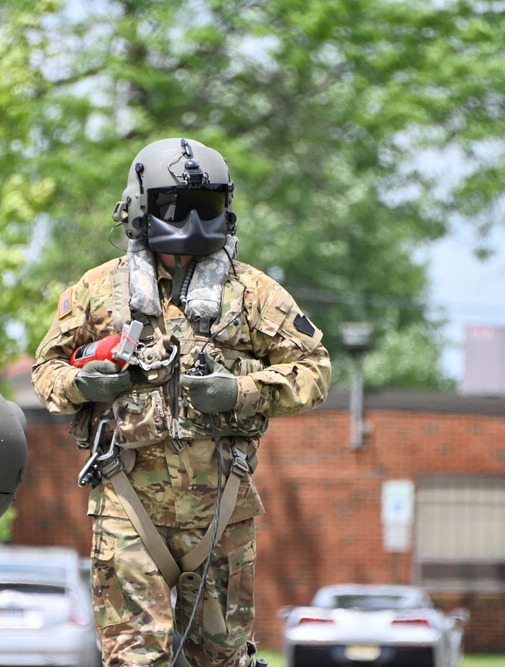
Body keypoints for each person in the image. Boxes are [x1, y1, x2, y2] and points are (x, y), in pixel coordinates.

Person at [31, 137, 331, 667]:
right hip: (127, 509)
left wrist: (240, 391)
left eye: (206, 206)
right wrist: (85, 385)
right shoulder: (99, 291)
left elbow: (315, 371)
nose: (191, 223)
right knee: (132, 660)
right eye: (176, 207)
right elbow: (45, 371)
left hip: (221, 514)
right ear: (143, 208)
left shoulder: (252, 292)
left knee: (222, 658)